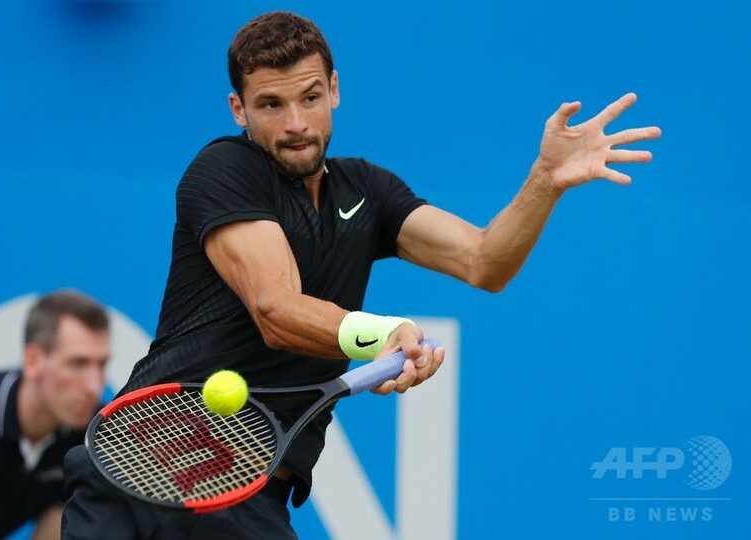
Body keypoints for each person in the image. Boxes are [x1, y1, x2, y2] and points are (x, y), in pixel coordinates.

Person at [61, 10, 661, 540]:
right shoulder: (224, 169)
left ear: (336, 91)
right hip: (141, 461)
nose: (296, 122)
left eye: (311, 97)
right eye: (271, 104)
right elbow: (275, 308)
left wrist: (544, 182)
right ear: (239, 110)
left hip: (247, 486)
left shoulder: (368, 191)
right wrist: (382, 333)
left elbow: (484, 261)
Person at [0, 290, 111, 540]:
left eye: (102, 364)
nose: (94, 386)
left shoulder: (88, 436)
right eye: (78, 364)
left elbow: (52, 529)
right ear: (32, 361)